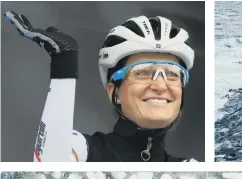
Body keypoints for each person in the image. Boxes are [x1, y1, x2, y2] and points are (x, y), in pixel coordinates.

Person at [4, 10, 196, 162]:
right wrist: (64, 67)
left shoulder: (193, 172)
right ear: (115, 92)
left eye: (172, 74)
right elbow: (47, 169)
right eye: (143, 72)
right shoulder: (81, 150)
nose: (160, 85)